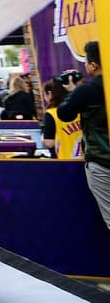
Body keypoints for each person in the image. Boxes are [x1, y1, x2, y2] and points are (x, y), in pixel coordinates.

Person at [57, 40, 107, 228]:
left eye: (86, 61)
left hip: (103, 163)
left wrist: (74, 91)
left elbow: (64, 113)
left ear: (93, 65)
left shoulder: (88, 90)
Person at [41, 78, 79, 158]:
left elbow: (49, 143)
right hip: (85, 159)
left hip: (63, 159)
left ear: (49, 93)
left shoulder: (51, 113)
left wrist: (42, 138)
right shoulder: (78, 108)